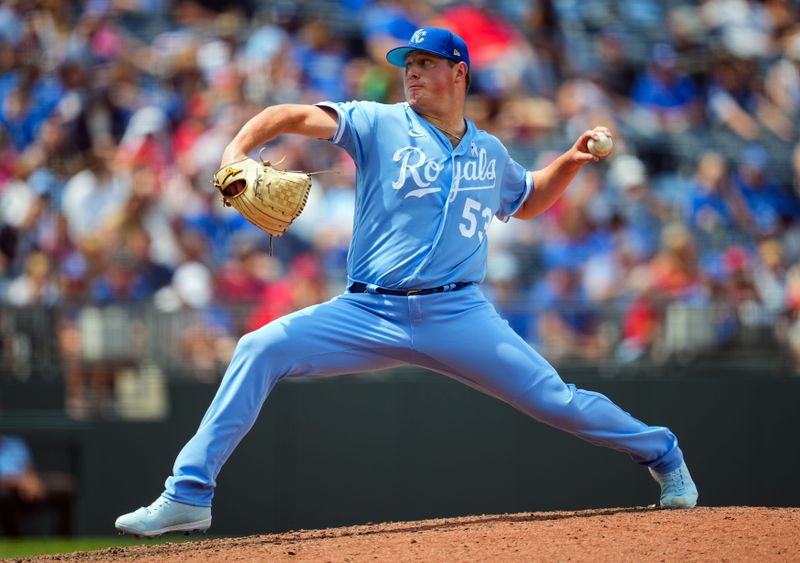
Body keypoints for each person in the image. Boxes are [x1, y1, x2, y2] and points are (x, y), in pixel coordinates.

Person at [115, 28, 698, 537]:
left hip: (458, 315)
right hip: (367, 312)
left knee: (555, 401)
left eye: (425, 64)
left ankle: (662, 450)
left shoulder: (488, 152)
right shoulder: (376, 122)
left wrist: (569, 160)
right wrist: (238, 149)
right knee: (258, 346)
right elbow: (289, 116)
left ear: (459, 72)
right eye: (408, 65)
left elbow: (526, 201)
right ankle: (188, 496)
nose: (412, 74)